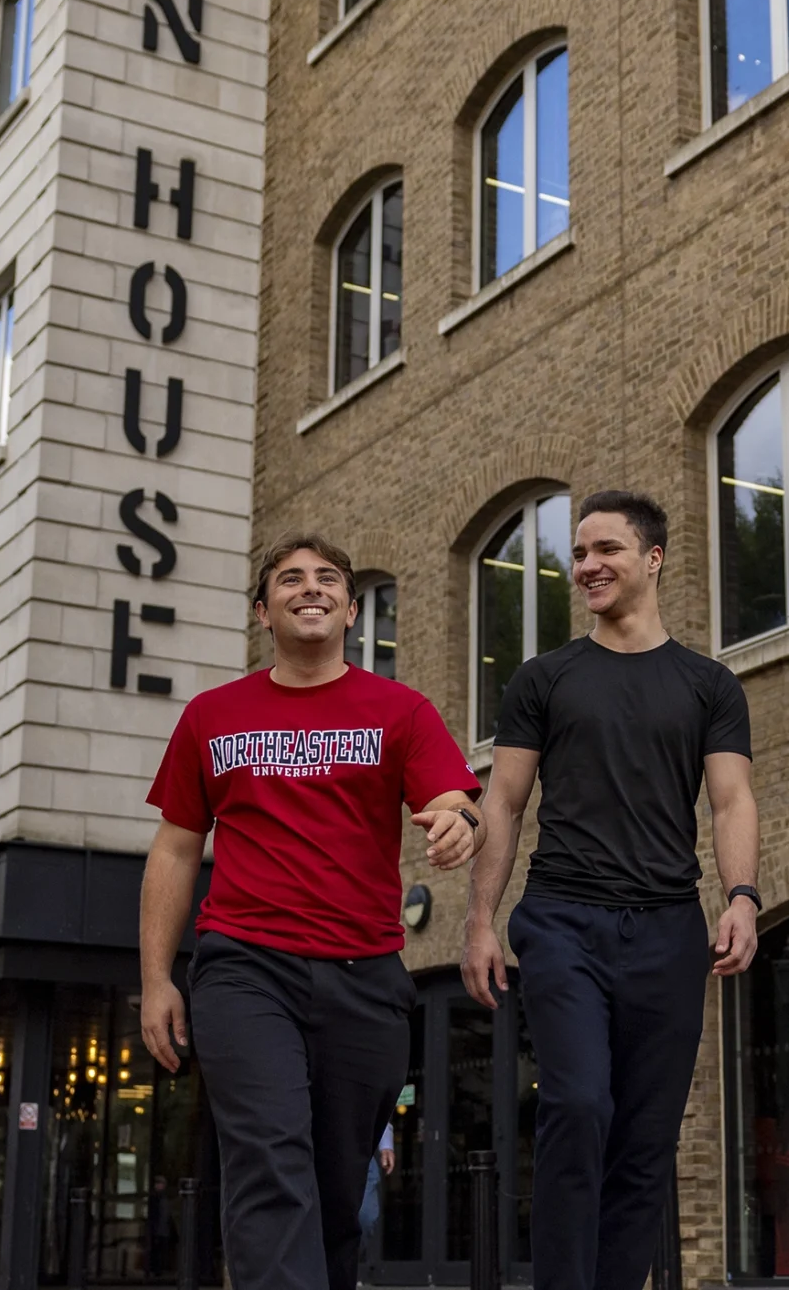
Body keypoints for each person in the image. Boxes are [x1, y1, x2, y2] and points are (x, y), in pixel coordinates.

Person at [140, 534, 484, 1290]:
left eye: (327, 577)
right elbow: (173, 850)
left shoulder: (400, 709)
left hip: (365, 977)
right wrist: (157, 977)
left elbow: (450, 797)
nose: (310, 587)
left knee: (335, 1197)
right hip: (244, 967)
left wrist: (463, 821)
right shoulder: (211, 716)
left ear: (352, 609)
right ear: (264, 610)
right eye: (289, 578)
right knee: (269, 1162)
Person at [461, 490, 760, 1290]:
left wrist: (742, 897)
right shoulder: (544, 677)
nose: (586, 566)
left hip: (667, 928)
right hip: (562, 919)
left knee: (645, 1138)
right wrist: (480, 920)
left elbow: (731, 800)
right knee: (580, 1103)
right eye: (579, 552)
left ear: (653, 558)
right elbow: (505, 801)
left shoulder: (708, 684)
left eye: (606, 551)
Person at [356, 1123, 395, 1253]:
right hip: (317, 1146)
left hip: (358, 1147)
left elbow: (375, 1103)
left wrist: (385, 1143)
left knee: (364, 1216)